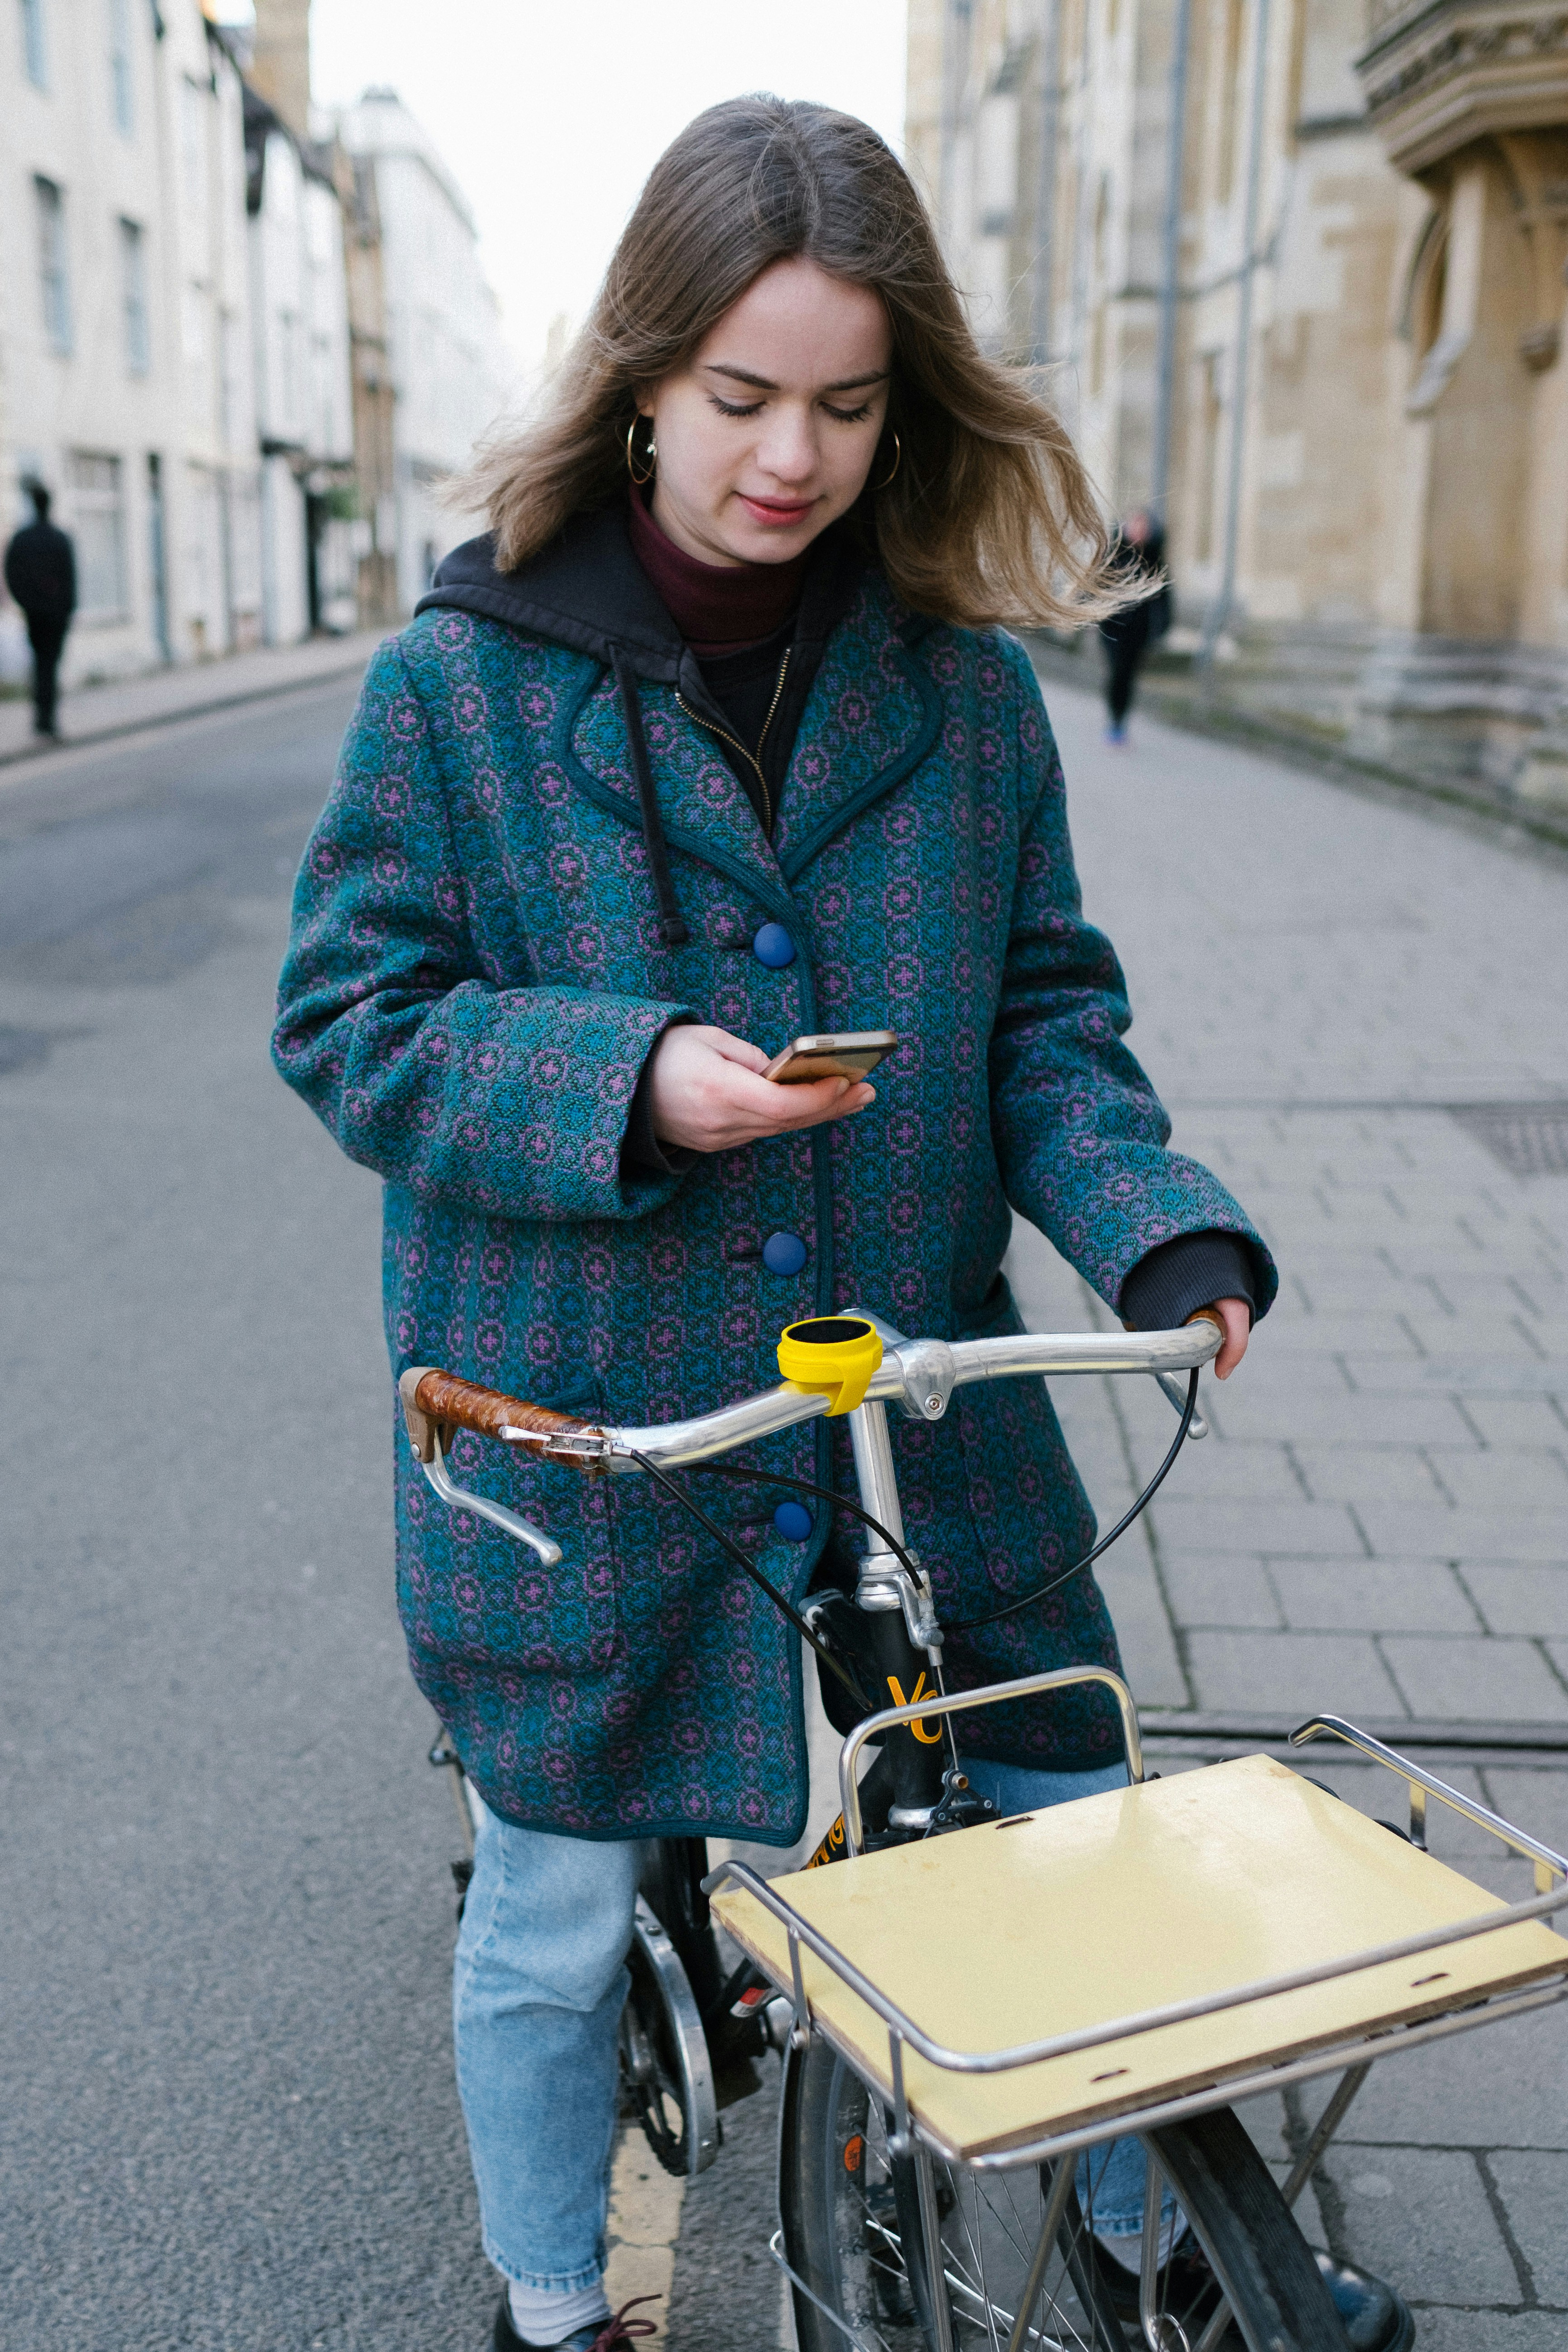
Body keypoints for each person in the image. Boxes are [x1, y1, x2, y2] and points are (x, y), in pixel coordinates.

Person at [273, 98, 1411, 2352]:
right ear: (638, 380)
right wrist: (625, 1076)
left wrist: (1157, 1229)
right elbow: (349, 1015)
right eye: (738, 399)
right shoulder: (457, 686)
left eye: (847, 403)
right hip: (595, 1430)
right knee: (554, 1906)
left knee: (1067, 1812)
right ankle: (545, 2305)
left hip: (909, 1400)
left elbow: (1047, 1025)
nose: (790, 457)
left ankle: (1148, 2222)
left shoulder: (965, 696)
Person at [3, 482, 76, 741]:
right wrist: (67, 612)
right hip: (55, 615)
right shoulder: (60, 539)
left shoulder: (23, 539)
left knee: (41, 664)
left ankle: (42, 720)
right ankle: (47, 721)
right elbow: (70, 581)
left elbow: (12, 575)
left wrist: (26, 602)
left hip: (36, 614)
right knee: (50, 665)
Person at [1097, 505, 1168, 744]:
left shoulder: (1154, 557)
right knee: (1116, 672)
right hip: (1112, 625)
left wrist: (1163, 625)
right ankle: (1114, 716)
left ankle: (1119, 720)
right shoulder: (1113, 553)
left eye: (1143, 526)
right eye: (1135, 525)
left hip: (1139, 630)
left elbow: (1165, 594)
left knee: (1127, 675)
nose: (1139, 531)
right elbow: (1095, 583)